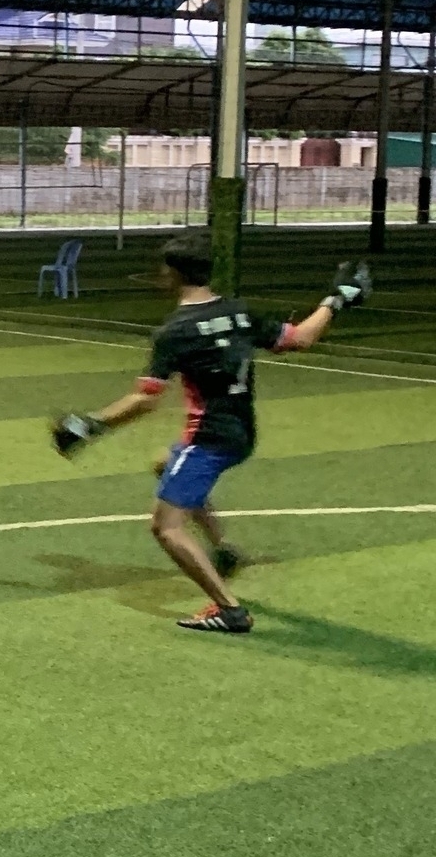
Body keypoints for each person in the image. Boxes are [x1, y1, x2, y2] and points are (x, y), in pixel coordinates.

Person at [52, 234, 370, 633]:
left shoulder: (176, 331)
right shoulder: (239, 313)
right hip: (241, 431)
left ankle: (229, 611)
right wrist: (335, 299)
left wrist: (89, 425)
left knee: (165, 528)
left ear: (172, 273)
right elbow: (300, 338)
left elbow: (145, 399)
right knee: (165, 464)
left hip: (209, 439)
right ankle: (224, 551)